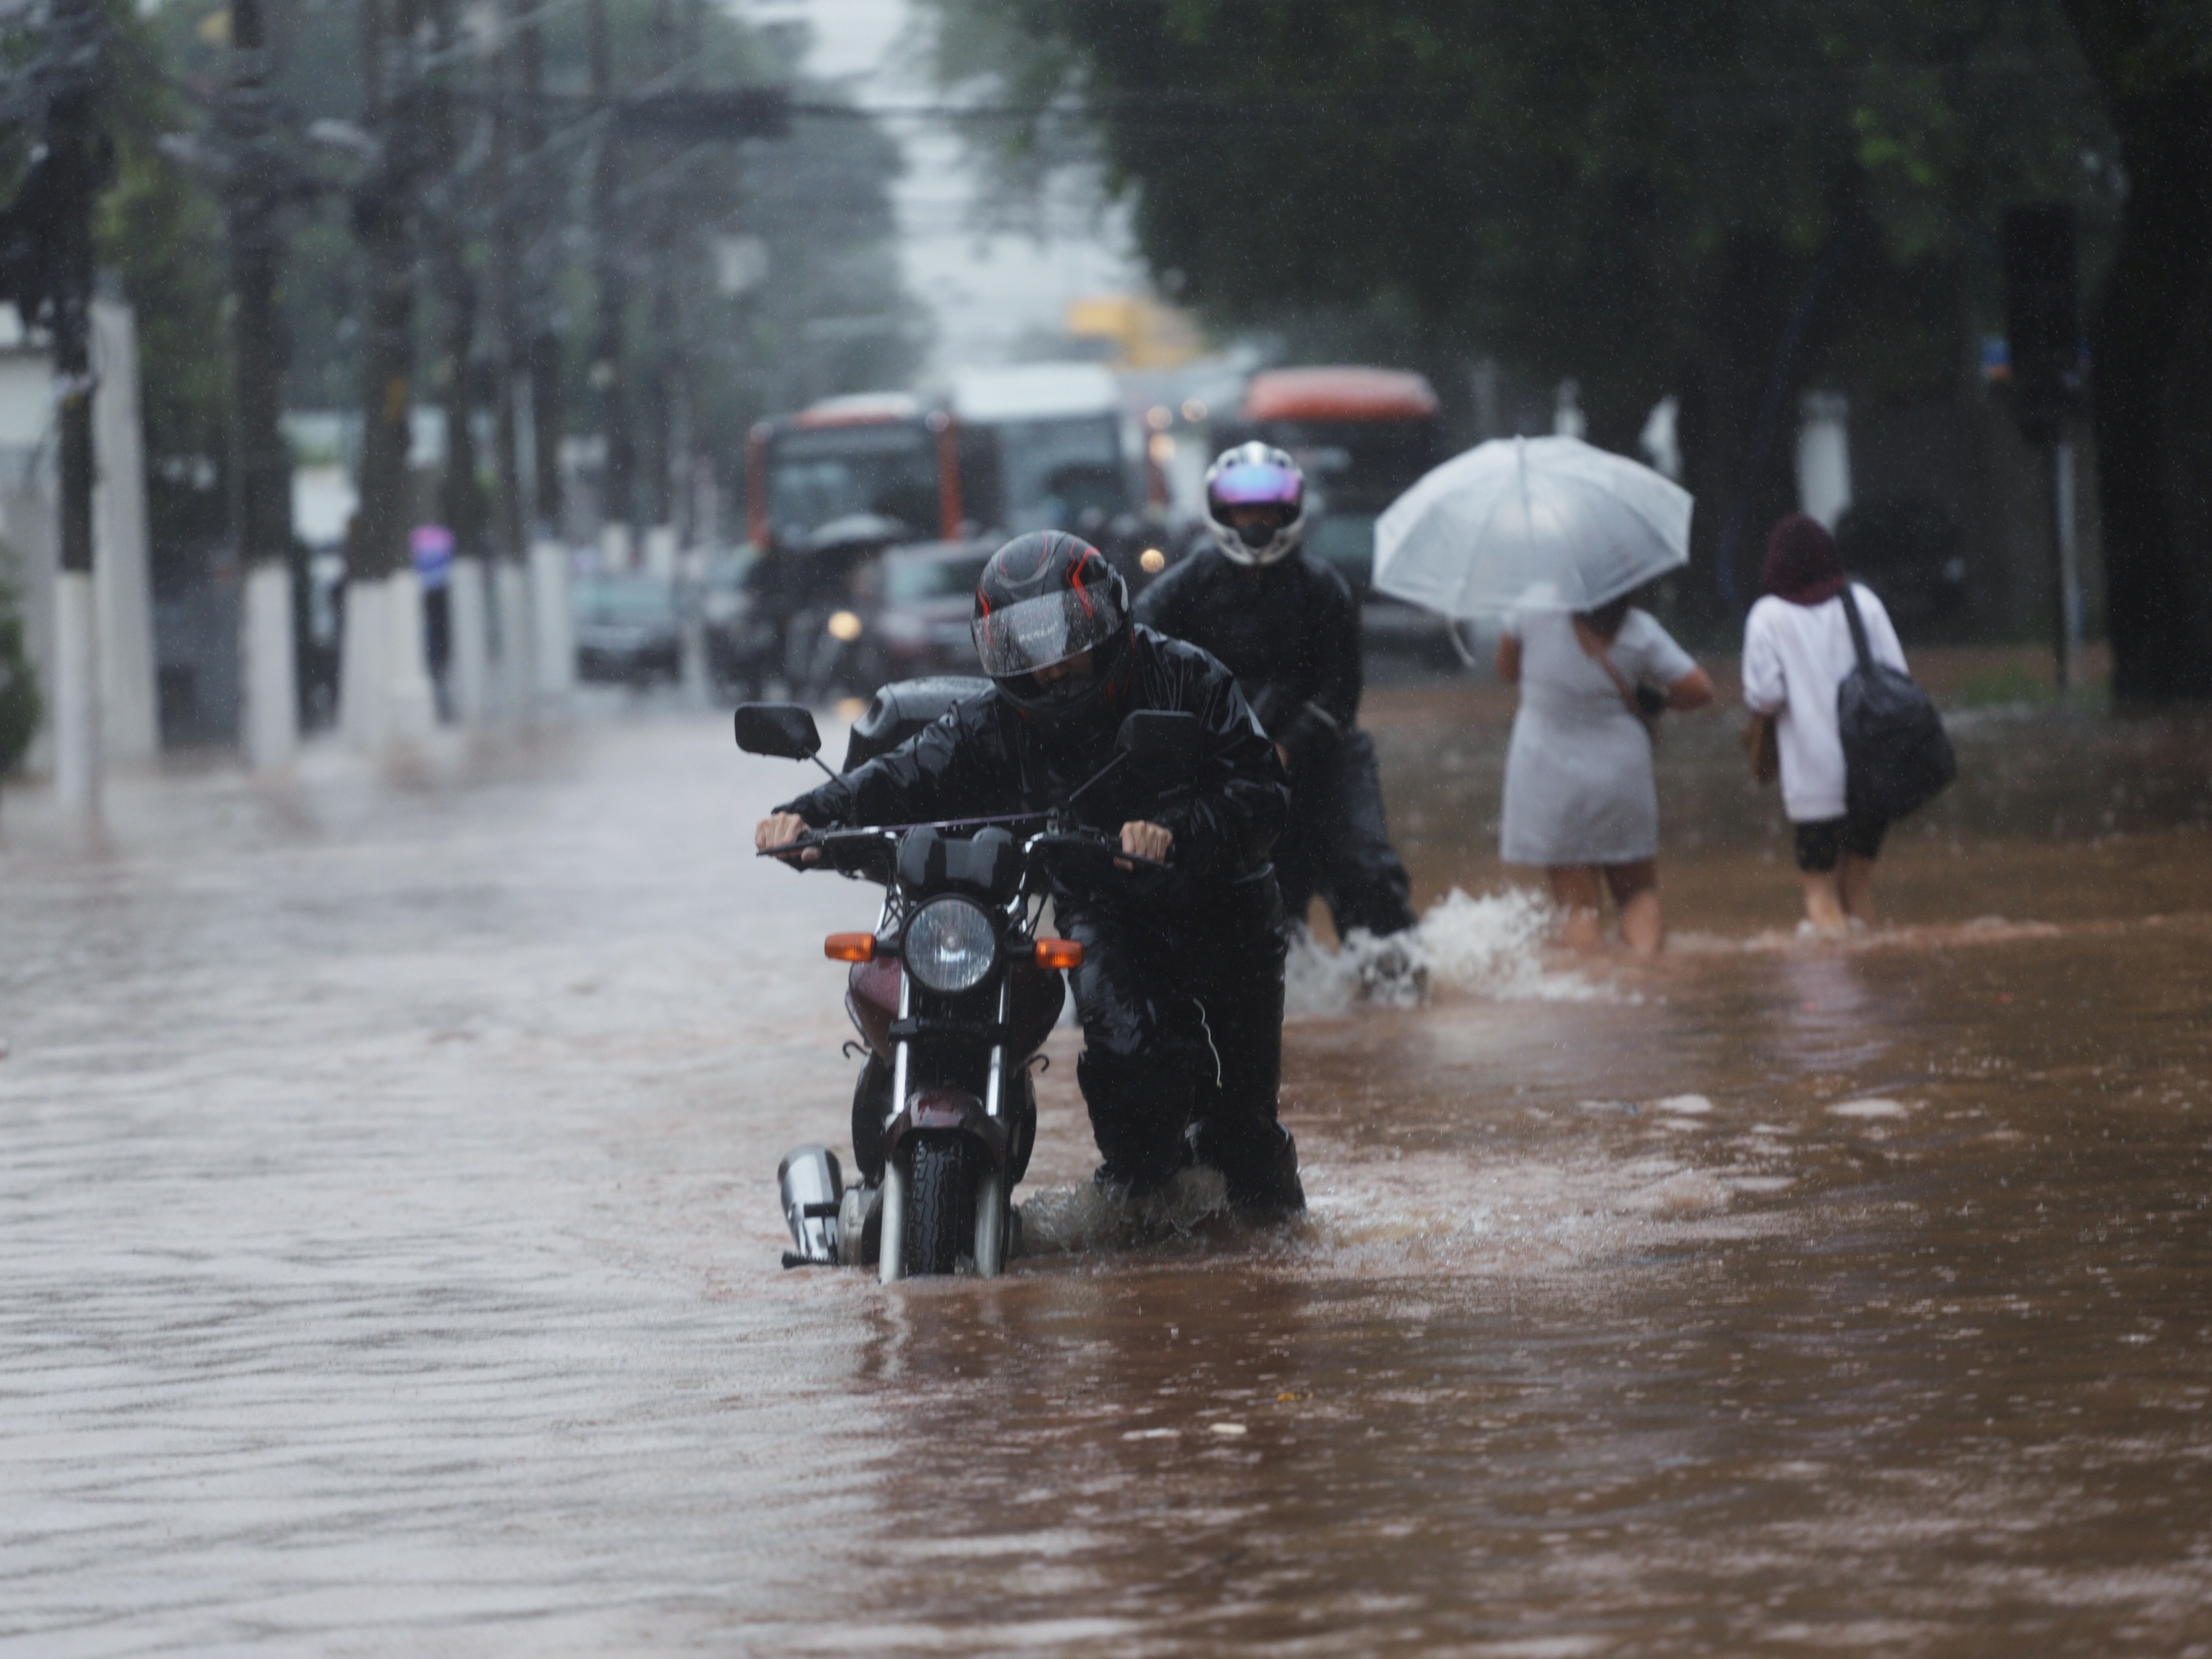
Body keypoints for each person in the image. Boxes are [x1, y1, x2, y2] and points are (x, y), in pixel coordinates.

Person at [754, 530, 1306, 1217]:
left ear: (1107, 619)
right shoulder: (992, 720)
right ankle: (1143, 1228)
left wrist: (1177, 832)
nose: (1050, 667)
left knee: (1245, 1134)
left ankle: (1274, 1266)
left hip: (1224, 910)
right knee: (1128, 1069)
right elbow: (900, 775)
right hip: (1105, 907)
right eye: (1025, 647)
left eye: (1067, 637)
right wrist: (807, 816)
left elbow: (1265, 794)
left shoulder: (1189, 677)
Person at [1137, 443, 1421, 956]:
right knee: (1238, 901)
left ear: (1288, 511)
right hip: (1221, 773)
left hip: (1320, 764)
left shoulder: (1323, 588)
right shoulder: (1175, 593)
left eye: (1267, 508)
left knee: (1369, 877)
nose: (1256, 519)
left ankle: (1397, 997)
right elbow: (1140, 674)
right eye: (1244, 508)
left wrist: (1287, 748)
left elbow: (1340, 693)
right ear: (1223, 512)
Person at [1494, 592, 1713, 954]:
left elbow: (1506, 670)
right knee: (1638, 892)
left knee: (1577, 905)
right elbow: (1700, 689)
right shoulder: (1640, 630)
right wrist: (1658, 700)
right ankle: (1648, 978)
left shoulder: (1529, 610)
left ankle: (1597, 997)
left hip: (1550, 772)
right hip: (1621, 775)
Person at [1742, 513, 1908, 935]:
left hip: (1812, 780)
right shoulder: (1863, 603)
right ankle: (1870, 981)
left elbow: (1766, 697)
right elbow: (1898, 678)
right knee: (1858, 888)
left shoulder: (1768, 616)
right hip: (1871, 775)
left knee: (1819, 893)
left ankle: (1836, 995)